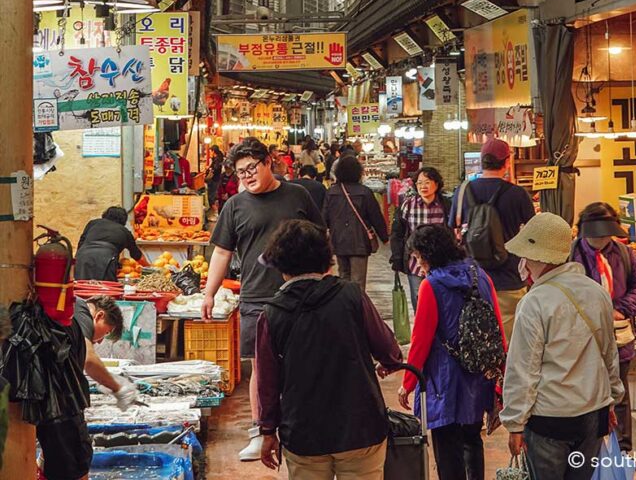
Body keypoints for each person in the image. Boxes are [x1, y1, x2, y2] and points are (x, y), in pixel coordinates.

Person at [204, 137, 324, 461]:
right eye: (240, 172)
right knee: (261, 367)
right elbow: (222, 252)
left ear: (268, 162)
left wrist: (324, 280)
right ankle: (260, 431)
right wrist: (209, 293)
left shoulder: (297, 195)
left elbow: (319, 238)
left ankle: (305, 426)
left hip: (301, 294)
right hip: (257, 297)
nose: (247, 176)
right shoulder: (234, 206)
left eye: (251, 168)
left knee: (304, 361)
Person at [256, 220, 402, 479]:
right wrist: (388, 363)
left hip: (304, 434)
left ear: (281, 266)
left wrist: (267, 432)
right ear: (327, 259)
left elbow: (267, 382)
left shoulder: (271, 314)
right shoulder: (352, 295)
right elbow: (389, 349)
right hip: (361, 429)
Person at [500, 212, 624, 480]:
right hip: (592, 414)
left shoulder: (534, 302)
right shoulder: (596, 292)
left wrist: (515, 423)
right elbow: (609, 354)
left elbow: (523, 369)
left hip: (549, 419)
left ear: (536, 257)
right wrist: (612, 399)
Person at [397, 223, 505, 480]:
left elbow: (421, 340)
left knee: (447, 446)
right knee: (472, 439)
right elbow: (498, 328)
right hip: (478, 374)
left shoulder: (431, 286)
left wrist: (408, 382)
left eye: (418, 257)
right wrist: (500, 372)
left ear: (428, 255)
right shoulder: (480, 276)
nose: (418, 264)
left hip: (443, 379)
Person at [570, 201, 636, 454]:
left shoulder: (625, 254)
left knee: (620, 396)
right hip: (580, 340)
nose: (601, 239)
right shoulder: (569, 256)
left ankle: (623, 451)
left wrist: (621, 309)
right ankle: (588, 451)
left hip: (618, 338)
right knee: (584, 395)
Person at [37, 296, 137, 480]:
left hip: (43, 397)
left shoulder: (70, 313)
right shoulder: (81, 310)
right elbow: (89, 361)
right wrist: (118, 388)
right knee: (77, 459)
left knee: (52, 456)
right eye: (106, 333)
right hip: (58, 401)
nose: (99, 341)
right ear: (99, 315)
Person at [449, 137, 535, 340]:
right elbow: (533, 233)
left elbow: (453, 228)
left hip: (472, 277)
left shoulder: (462, 192)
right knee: (509, 342)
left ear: (481, 161)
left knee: (477, 340)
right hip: (509, 278)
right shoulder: (518, 194)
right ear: (507, 162)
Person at [323, 154, 389, 290]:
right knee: (358, 281)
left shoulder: (332, 192)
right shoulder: (365, 192)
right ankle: (357, 303)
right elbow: (375, 216)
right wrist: (384, 237)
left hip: (339, 240)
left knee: (343, 276)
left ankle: (345, 302)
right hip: (360, 242)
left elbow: (324, 218)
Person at [390, 168, 453, 308]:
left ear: (436, 184)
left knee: (441, 300)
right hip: (416, 263)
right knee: (419, 301)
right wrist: (397, 257)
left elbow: (453, 232)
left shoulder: (446, 206)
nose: (423, 186)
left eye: (427, 182)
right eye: (419, 183)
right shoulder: (408, 205)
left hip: (441, 263)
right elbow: (397, 233)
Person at [74, 207, 143, 282]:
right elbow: (137, 255)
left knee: (82, 286)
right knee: (106, 287)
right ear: (124, 220)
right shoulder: (124, 232)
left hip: (83, 257)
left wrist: (76, 260)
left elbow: (81, 243)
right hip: (107, 259)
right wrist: (149, 267)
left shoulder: (93, 223)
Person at [205, 146, 224, 214]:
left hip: (214, 178)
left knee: (211, 195)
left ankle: (214, 210)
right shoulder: (217, 158)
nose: (210, 153)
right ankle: (214, 210)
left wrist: (210, 168)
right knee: (212, 194)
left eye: (210, 151)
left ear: (213, 151)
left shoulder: (217, 159)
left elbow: (215, 168)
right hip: (216, 178)